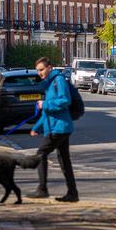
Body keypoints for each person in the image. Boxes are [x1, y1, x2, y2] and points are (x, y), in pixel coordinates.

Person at [27, 56, 79, 202]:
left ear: (50, 68)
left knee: (41, 154)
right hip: (55, 126)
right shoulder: (49, 83)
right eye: (38, 70)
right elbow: (47, 111)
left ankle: (42, 189)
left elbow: (65, 100)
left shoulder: (58, 80)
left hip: (60, 127)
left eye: (42, 70)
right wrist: (36, 127)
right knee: (64, 161)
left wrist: (45, 104)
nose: (40, 73)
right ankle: (72, 193)